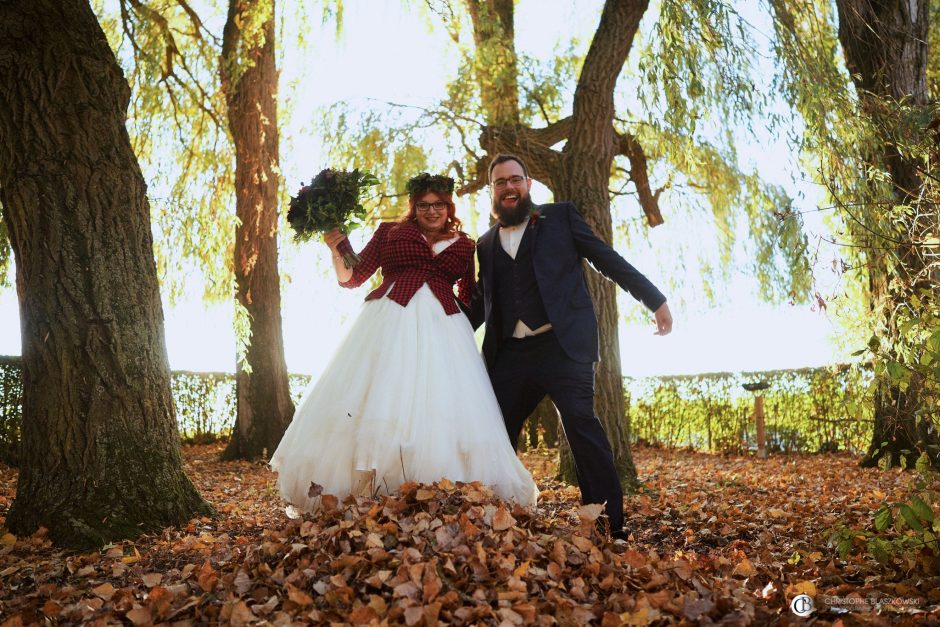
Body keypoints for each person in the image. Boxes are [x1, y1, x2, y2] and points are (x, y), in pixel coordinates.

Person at [270, 173, 538, 511]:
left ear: (448, 206)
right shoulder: (389, 232)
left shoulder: (466, 244)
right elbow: (353, 277)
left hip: (445, 327)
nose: (431, 211)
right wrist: (337, 248)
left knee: (441, 404)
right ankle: (370, 490)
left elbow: (470, 295)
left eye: (438, 204)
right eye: (424, 205)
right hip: (390, 319)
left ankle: (441, 489)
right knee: (382, 395)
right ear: (414, 207)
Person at [466, 154, 673, 540]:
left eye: (515, 179)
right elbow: (482, 303)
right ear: (492, 191)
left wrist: (653, 299)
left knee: (582, 427)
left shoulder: (560, 218)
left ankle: (609, 525)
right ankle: (496, 515)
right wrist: (443, 330)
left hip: (563, 347)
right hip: (510, 354)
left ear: (528, 185)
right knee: (492, 431)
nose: (509, 187)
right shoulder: (485, 243)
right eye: (500, 182)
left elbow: (605, 259)